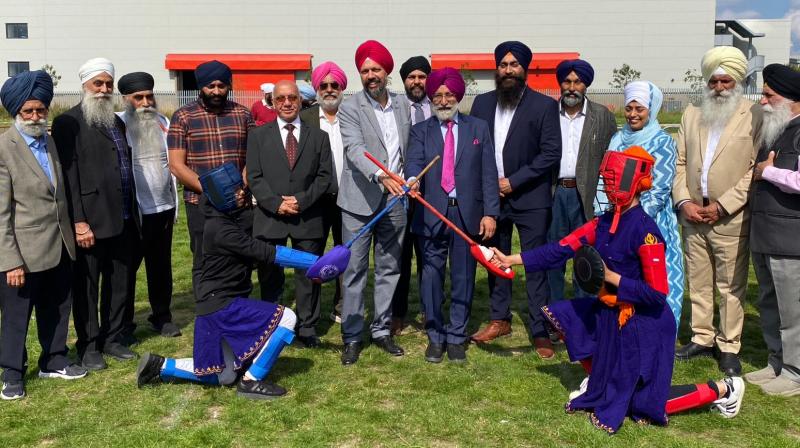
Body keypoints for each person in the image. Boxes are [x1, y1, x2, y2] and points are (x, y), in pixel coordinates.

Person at [490, 146, 745, 434]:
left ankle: (724, 389)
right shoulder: (603, 222)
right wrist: (513, 259)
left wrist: (613, 278)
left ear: (631, 183)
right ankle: (604, 377)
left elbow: (657, 294)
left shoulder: (646, 232)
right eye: (606, 180)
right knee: (564, 314)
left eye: (612, 180)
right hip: (611, 312)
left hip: (644, 325)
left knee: (642, 407)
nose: (607, 187)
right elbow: (560, 250)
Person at [136, 168, 316, 399]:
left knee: (226, 376)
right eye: (236, 191)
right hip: (221, 307)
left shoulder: (223, 216)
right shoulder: (221, 229)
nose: (242, 193)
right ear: (222, 196)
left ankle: (160, 366)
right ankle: (252, 381)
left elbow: (254, 221)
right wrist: (316, 262)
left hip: (214, 304)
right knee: (287, 317)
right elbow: (266, 252)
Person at [469, 41, 562, 359]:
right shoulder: (481, 104)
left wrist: (513, 181)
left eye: (514, 64)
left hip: (531, 199)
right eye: (503, 64)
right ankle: (499, 319)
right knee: (496, 259)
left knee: (535, 264)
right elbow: (474, 148)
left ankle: (540, 329)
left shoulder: (544, 106)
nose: (508, 70)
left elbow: (551, 152)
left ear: (525, 68)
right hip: (492, 200)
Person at [672, 47, 760, 376]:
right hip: (693, 214)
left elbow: (754, 170)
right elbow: (680, 164)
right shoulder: (693, 112)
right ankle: (702, 336)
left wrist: (723, 205)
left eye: (725, 81)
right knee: (699, 281)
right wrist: (684, 202)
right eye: (714, 81)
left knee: (730, 285)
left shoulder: (754, 115)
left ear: (737, 80)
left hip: (731, 216)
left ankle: (729, 345)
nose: (719, 87)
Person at [0, 71, 87, 400]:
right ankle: (12, 372)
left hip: (60, 244)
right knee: (16, 315)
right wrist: (10, 262)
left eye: (41, 110)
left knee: (58, 306)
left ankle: (54, 360)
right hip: (22, 253)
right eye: (28, 111)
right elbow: (1, 213)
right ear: (15, 112)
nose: (36, 116)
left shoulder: (49, 140)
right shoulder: (3, 148)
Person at [405, 67, 499, 363]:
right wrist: (412, 181)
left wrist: (490, 213)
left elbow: (488, 174)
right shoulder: (421, 131)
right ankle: (435, 335)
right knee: (431, 278)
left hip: (466, 216)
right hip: (431, 214)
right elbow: (413, 166)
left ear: (458, 96)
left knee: (463, 276)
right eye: (437, 96)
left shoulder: (478, 128)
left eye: (448, 95)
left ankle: (457, 335)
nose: (443, 101)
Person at [52, 58, 140, 370]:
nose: (103, 90)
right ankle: (89, 345)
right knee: (87, 287)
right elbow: (68, 176)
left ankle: (112, 338)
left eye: (107, 84)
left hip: (124, 218)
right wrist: (78, 222)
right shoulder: (68, 123)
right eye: (97, 84)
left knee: (120, 283)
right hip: (90, 222)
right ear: (85, 86)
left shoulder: (116, 122)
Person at [337, 40, 411, 365]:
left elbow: (412, 149)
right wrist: (382, 176)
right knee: (354, 270)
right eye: (365, 70)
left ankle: (381, 330)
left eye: (376, 69)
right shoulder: (350, 108)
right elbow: (354, 150)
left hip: (396, 202)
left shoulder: (404, 105)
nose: (370, 75)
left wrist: (410, 178)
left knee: (389, 267)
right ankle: (352, 335)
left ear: (386, 71)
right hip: (359, 201)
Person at [247, 80, 333, 348]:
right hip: (269, 217)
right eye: (281, 98)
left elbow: (324, 176)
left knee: (308, 273)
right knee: (270, 274)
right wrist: (276, 203)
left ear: (301, 101)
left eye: (292, 98)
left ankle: (307, 326)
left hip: (307, 217)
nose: (287, 103)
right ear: (272, 102)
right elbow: (255, 176)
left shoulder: (318, 137)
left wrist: (300, 200)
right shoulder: (258, 136)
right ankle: (271, 322)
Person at [168, 60, 255, 300]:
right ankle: (207, 309)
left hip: (239, 202)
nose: (216, 91)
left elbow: (253, 157)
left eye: (221, 85)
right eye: (210, 86)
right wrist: (214, 193)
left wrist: (242, 188)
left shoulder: (242, 114)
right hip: (201, 203)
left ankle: (239, 305)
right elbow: (177, 165)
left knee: (240, 255)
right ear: (200, 87)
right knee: (204, 257)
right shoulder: (183, 116)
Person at [602, 81, 684, 329]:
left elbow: (659, 189)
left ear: (652, 109)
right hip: (617, 217)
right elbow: (607, 179)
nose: (633, 114)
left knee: (653, 281)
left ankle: (659, 335)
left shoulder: (662, 142)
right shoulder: (618, 139)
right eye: (629, 108)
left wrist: (632, 220)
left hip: (650, 223)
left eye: (639, 109)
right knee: (620, 278)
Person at [546, 59, 616, 315]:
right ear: (560, 84)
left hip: (586, 196)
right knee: (554, 255)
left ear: (586, 84)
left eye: (577, 82)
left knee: (586, 256)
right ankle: (555, 314)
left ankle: (584, 314)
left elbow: (610, 156)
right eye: (567, 81)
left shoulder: (602, 116)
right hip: (554, 194)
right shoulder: (548, 113)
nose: (572, 87)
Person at [748, 63, 800, 397]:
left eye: (769, 95)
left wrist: (768, 173)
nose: (763, 101)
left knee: (792, 308)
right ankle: (775, 361)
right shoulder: (777, 128)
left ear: (792, 98)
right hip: (765, 233)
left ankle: (795, 373)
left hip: (790, 239)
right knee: (769, 302)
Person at [116, 72, 181, 339]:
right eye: (138, 97)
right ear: (126, 99)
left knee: (161, 267)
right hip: (134, 212)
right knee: (127, 271)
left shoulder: (162, 121)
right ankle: (124, 325)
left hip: (163, 208)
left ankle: (162, 316)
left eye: (149, 96)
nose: (145, 102)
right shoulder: (118, 125)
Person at [300, 61, 348, 323]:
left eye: (334, 85)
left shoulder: (352, 115)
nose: (329, 90)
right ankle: (311, 315)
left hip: (348, 199)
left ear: (342, 87)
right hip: (315, 200)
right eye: (324, 85)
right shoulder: (305, 119)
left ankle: (341, 306)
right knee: (312, 254)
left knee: (345, 254)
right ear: (317, 88)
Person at [393, 55, 432, 334]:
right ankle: (398, 312)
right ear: (404, 80)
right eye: (411, 77)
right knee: (400, 255)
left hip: (432, 194)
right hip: (400, 192)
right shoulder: (395, 108)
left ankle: (430, 310)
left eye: (421, 76)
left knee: (429, 255)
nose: (416, 82)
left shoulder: (440, 106)